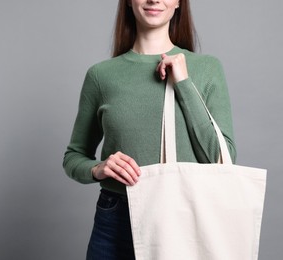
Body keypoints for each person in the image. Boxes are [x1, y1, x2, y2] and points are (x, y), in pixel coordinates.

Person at [63, 0, 237, 259]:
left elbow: (223, 159)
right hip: (116, 218)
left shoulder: (207, 69)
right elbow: (73, 156)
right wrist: (98, 169)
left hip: (184, 217)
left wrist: (184, 83)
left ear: (178, 3)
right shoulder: (101, 76)